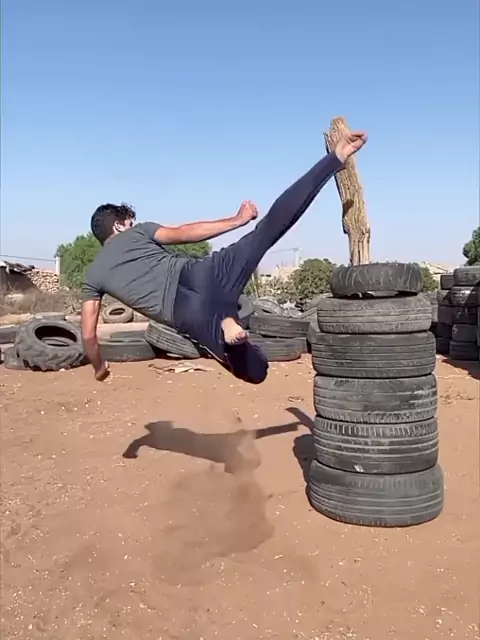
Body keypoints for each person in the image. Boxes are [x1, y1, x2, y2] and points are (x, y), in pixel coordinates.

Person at [81, 128, 368, 384]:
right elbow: (185, 232)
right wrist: (237, 220)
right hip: (203, 273)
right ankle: (336, 157)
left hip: (186, 312)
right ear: (118, 226)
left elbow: (88, 335)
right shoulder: (138, 232)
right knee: (269, 228)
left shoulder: (93, 277)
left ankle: (228, 328)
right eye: (128, 222)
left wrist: (99, 367)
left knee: (256, 372)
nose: (132, 224)